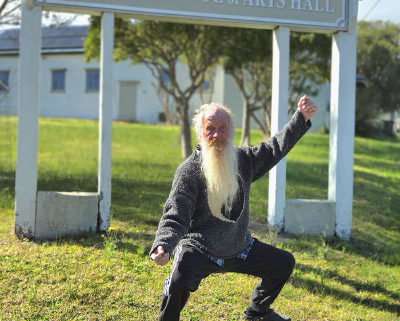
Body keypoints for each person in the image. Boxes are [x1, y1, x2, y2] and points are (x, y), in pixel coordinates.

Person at [150, 96, 318, 321]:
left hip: (240, 248)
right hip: (200, 248)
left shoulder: (244, 160)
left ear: (231, 130)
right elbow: (175, 214)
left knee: (283, 263)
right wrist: (163, 244)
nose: (217, 135)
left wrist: (301, 119)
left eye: (222, 128)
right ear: (200, 132)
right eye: (210, 129)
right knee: (179, 279)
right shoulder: (188, 171)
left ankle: (257, 313)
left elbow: (275, 148)